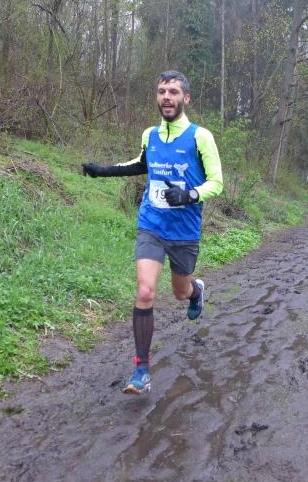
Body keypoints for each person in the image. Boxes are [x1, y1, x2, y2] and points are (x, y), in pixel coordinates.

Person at [81, 71, 223, 394]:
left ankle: (196, 291)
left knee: (180, 292)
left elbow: (217, 182)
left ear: (186, 98)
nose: (166, 97)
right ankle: (141, 370)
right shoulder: (150, 135)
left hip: (184, 230)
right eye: (161, 91)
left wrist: (189, 195)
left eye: (173, 92)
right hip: (152, 224)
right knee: (145, 292)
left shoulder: (201, 137)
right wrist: (102, 171)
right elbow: (140, 164)